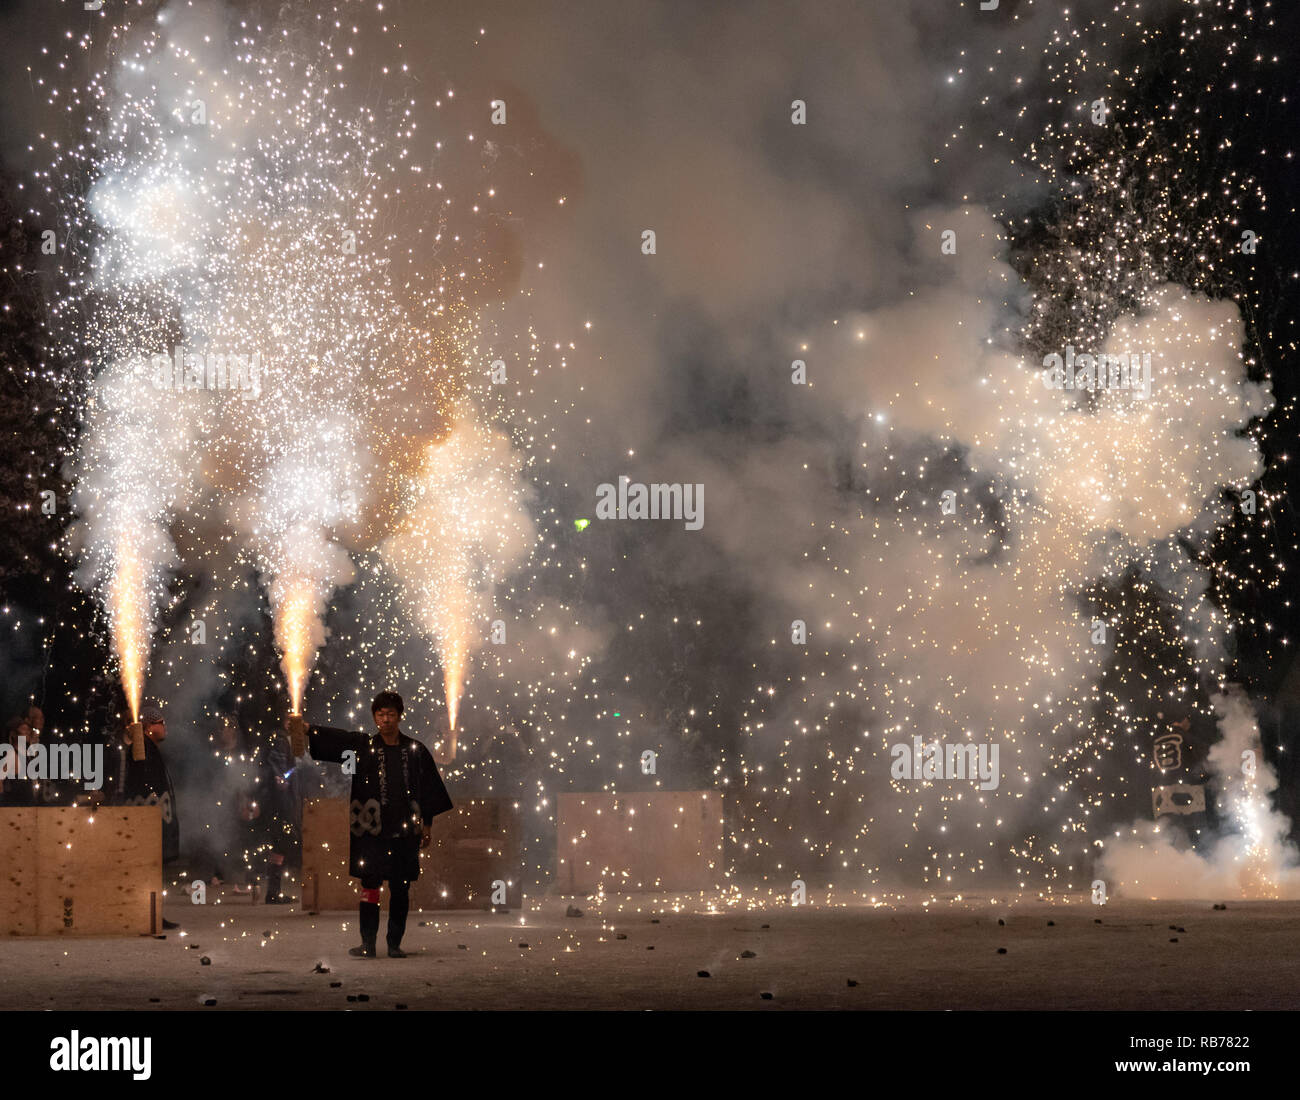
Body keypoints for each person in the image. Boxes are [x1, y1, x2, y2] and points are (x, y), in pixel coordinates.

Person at [288, 691, 452, 957]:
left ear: (400, 716)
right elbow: (339, 739)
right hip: (371, 832)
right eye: (380, 714)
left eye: (390, 714)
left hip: (405, 830)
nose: (385, 719)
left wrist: (428, 825)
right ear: (374, 717)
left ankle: (394, 944)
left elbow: (428, 792)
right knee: (370, 886)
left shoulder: (416, 751)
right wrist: (307, 730)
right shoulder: (363, 748)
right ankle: (368, 943)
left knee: (400, 886)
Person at [107, 703, 181, 927]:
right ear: (148, 726)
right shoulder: (140, 748)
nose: (164, 727)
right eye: (160, 723)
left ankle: (153, 914)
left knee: (153, 868)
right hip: (146, 819)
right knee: (147, 868)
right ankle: (146, 915)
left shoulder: (149, 748)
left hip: (153, 817)